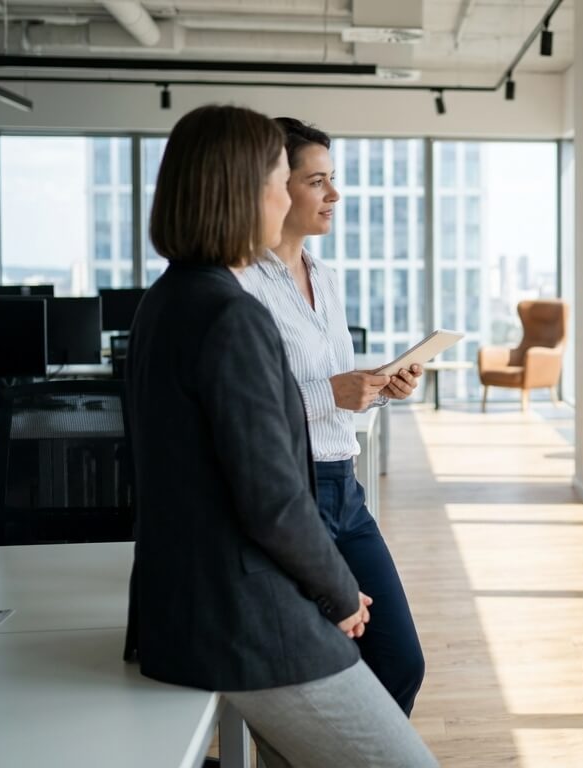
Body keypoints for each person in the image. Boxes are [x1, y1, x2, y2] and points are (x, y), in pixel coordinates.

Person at [124, 104, 436, 767]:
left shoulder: (168, 299)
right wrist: (342, 592)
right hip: (246, 612)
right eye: (281, 176)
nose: (285, 193)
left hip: (201, 600)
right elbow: (271, 495)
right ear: (248, 191)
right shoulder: (229, 312)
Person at [237, 117, 426, 715]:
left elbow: (331, 380)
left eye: (332, 180)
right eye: (317, 182)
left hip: (345, 488)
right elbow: (244, 407)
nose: (334, 196)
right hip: (294, 495)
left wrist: (378, 386)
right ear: (275, 186)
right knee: (312, 680)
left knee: (399, 659)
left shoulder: (328, 278)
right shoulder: (242, 285)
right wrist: (331, 394)